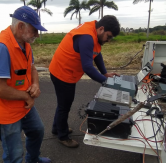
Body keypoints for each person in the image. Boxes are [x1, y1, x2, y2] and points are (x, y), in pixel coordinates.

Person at [0, 6, 50, 163]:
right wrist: (26, 96)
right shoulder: (1, 47)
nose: (36, 34)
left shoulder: (25, 43)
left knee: (37, 130)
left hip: (24, 105)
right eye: (34, 29)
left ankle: (32, 160)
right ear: (21, 26)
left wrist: (35, 84)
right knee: (14, 153)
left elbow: (32, 68)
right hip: (6, 112)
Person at [49, 15, 120, 148]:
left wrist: (104, 73)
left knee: (62, 104)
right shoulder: (87, 37)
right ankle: (63, 136)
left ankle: (57, 128)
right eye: (108, 36)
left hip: (64, 70)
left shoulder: (94, 31)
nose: (109, 40)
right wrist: (106, 82)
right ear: (101, 29)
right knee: (64, 106)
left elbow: (96, 53)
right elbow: (87, 67)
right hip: (62, 73)